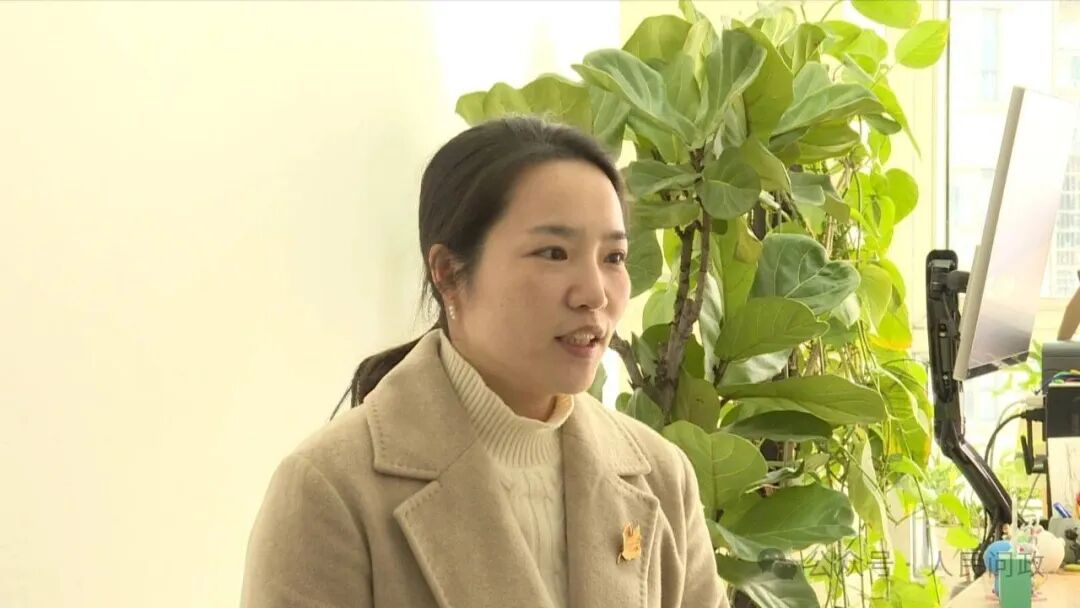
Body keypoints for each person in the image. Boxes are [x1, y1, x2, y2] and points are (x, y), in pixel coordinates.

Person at [240, 116, 729, 608]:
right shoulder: (330, 489)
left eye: (614, 257)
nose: (594, 293)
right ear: (448, 273)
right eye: (553, 253)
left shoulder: (663, 477)